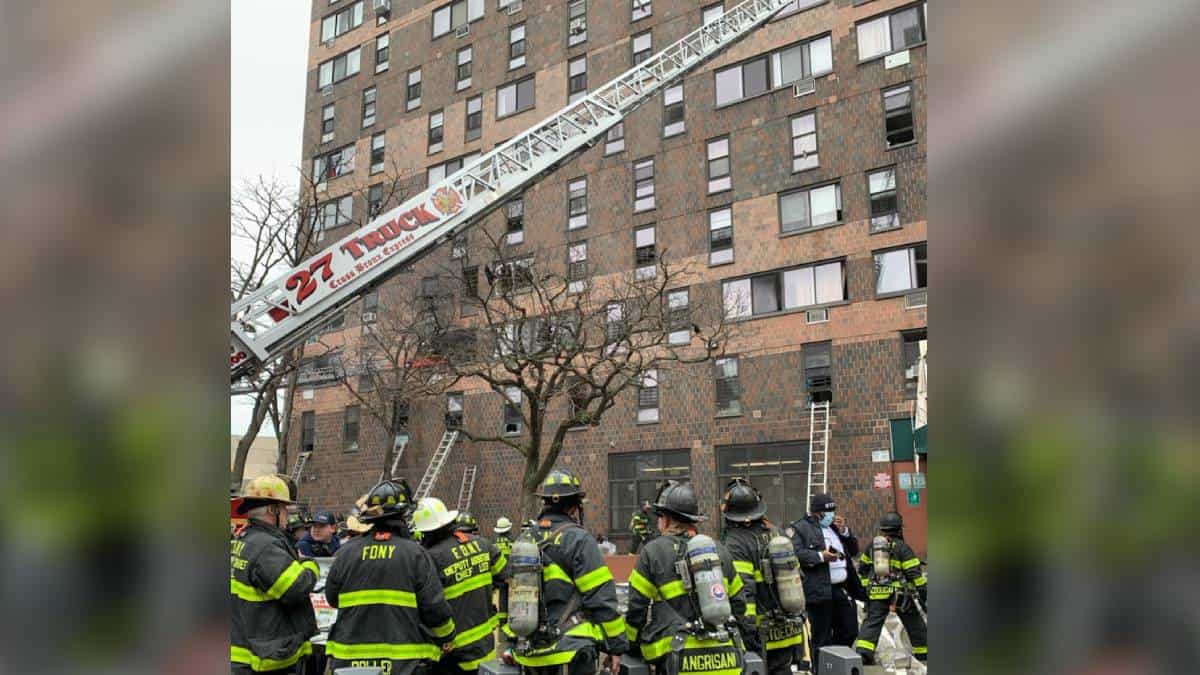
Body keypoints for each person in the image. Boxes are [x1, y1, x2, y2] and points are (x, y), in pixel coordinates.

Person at [323, 479, 456, 675]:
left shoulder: (345, 553)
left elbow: (332, 598)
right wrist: (447, 636)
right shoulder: (415, 554)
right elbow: (434, 607)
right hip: (403, 663)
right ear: (403, 516)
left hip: (349, 661)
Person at [506, 468, 628, 675]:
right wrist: (616, 646)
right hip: (571, 652)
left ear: (545, 503)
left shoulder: (523, 540)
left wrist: (511, 644)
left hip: (530, 655)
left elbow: (511, 596)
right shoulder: (579, 539)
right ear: (574, 507)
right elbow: (600, 598)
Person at [626, 480, 753, 675]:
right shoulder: (719, 550)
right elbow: (739, 604)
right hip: (726, 658)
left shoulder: (653, 552)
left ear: (666, 519)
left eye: (660, 516)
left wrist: (631, 647)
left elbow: (637, 609)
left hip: (678, 659)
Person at [230, 474, 320, 674]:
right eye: (285, 509)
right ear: (273, 510)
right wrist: (309, 565)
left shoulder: (242, 540)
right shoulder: (266, 547)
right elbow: (296, 587)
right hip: (262, 662)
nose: (288, 515)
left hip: (241, 653)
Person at [721, 478, 805, 675]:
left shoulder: (736, 542)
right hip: (787, 629)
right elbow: (799, 575)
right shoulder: (776, 532)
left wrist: (747, 633)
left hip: (761, 633)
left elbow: (744, 592)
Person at [414, 497, 504, 675]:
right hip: (486, 646)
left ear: (425, 532)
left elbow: (431, 607)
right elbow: (507, 578)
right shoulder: (483, 544)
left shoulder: (430, 558)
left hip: (453, 654)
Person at [787, 493, 859, 673]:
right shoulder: (800, 528)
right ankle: (822, 669)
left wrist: (845, 531)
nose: (832, 516)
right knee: (821, 636)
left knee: (850, 629)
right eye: (828, 512)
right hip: (818, 590)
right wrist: (820, 556)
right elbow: (795, 554)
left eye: (833, 511)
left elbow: (853, 550)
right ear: (817, 513)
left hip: (841, 589)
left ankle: (835, 661)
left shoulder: (834, 528)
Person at [854, 512, 927, 666]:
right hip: (900, 595)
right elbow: (914, 574)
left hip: (876, 593)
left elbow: (863, 569)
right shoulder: (902, 548)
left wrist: (867, 591)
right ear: (899, 529)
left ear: (882, 530)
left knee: (872, 623)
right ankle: (923, 653)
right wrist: (923, 594)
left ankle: (863, 654)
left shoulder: (872, 547)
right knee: (914, 624)